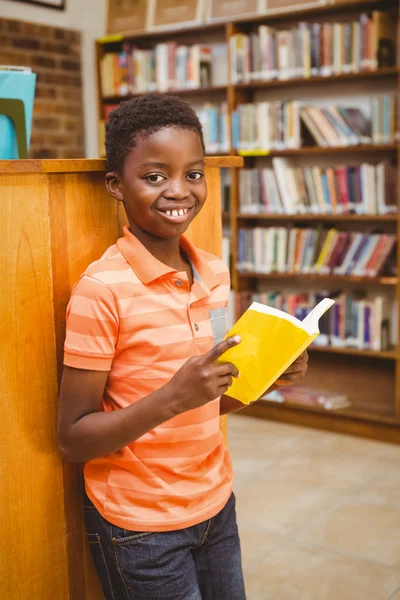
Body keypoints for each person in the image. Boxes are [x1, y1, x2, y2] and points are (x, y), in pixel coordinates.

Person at [57, 94, 308, 600]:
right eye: (155, 176)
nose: (179, 190)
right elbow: (74, 438)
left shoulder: (214, 273)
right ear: (116, 186)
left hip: (215, 505)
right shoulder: (101, 290)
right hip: (138, 526)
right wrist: (174, 395)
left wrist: (268, 375)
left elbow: (209, 402)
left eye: (193, 173)